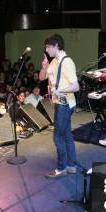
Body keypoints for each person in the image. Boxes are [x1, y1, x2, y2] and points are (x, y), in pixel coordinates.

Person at [39, 33, 79, 178]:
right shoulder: (54, 61)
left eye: (48, 46)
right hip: (61, 103)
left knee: (58, 137)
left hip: (65, 104)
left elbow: (76, 86)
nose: (46, 49)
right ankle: (72, 166)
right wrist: (44, 67)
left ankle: (61, 168)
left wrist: (59, 90)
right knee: (67, 135)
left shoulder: (67, 62)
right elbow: (42, 77)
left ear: (56, 46)